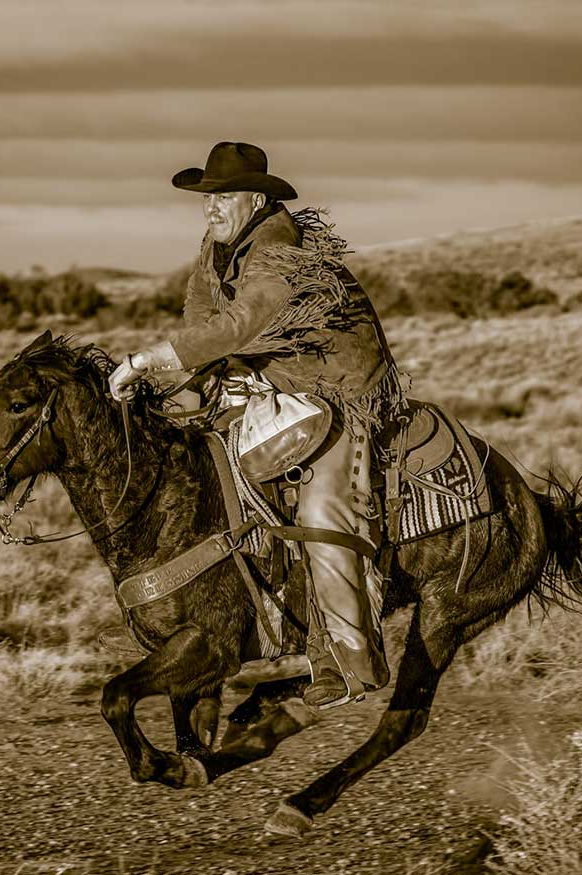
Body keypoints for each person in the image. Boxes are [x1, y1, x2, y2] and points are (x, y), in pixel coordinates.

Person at [108, 141, 404, 709]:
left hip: (336, 390)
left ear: (255, 199)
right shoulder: (217, 250)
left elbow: (240, 325)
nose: (210, 210)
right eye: (206, 200)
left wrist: (147, 360)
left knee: (324, 508)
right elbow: (201, 324)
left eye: (221, 198)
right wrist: (172, 384)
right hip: (272, 382)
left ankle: (348, 659)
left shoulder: (275, 252)